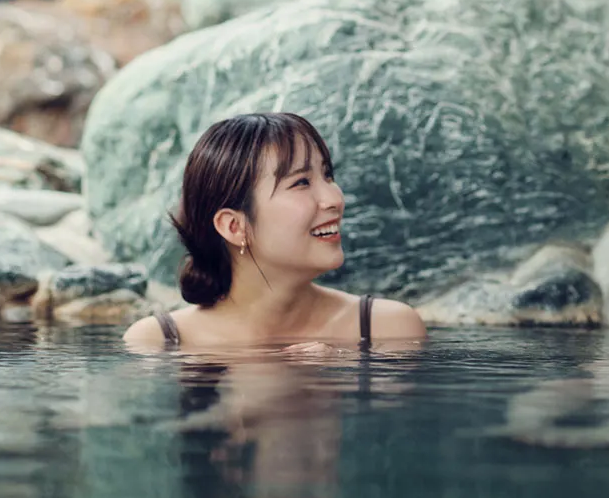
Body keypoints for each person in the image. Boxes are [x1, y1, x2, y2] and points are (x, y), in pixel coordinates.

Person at [123, 111, 425, 352]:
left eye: (328, 175)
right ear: (234, 226)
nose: (335, 199)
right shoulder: (158, 343)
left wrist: (341, 369)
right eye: (301, 182)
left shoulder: (386, 329)